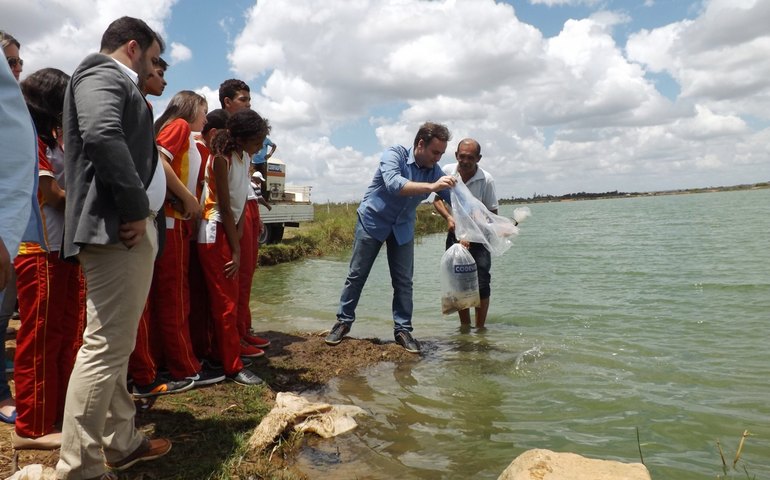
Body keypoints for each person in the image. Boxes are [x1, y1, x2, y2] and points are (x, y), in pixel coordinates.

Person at [57, 16, 171, 479]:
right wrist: (133, 208)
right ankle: (78, 467)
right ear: (132, 47)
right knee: (104, 347)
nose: (155, 66)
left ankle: (121, 441)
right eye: (153, 57)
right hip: (116, 230)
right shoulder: (101, 75)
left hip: (121, 229)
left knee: (115, 345)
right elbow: (102, 135)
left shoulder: (111, 81)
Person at [325, 122, 457, 353]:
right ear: (420, 144)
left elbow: (454, 197)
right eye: (435, 152)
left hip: (402, 228)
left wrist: (481, 216)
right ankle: (343, 323)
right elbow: (395, 184)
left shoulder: (434, 170)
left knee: (404, 281)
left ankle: (403, 330)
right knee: (357, 275)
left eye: (441, 154)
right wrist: (432, 186)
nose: (438, 158)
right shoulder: (394, 155)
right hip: (373, 221)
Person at [129, 91, 226, 399]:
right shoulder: (180, 126)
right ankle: (184, 366)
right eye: (204, 110)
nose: (206, 118)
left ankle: (168, 360)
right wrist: (186, 198)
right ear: (190, 108)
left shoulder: (176, 128)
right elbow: (160, 160)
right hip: (173, 220)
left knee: (166, 296)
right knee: (175, 297)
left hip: (172, 219)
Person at [12, 68, 86, 451]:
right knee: (39, 338)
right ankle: (31, 426)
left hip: (58, 248)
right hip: (39, 249)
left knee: (59, 335)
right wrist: (91, 207)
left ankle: (53, 413)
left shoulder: (47, 137)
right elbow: (48, 192)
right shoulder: (28, 136)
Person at [197, 109, 270, 385]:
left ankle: (222, 353)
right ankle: (232, 366)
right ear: (242, 137)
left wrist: (238, 237)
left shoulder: (244, 157)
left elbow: (238, 206)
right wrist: (236, 249)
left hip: (229, 230)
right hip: (215, 232)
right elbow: (225, 208)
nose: (261, 146)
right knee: (226, 302)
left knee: (230, 296)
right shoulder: (221, 160)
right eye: (258, 140)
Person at [0, 52, 38, 426]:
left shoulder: (17, 114)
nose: (16, 68)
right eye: (9, 60)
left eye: (17, 62)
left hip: (16, 231)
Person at [433, 138, 498, 329]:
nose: (465, 160)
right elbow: (437, 200)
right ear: (456, 155)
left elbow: (492, 213)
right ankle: (465, 327)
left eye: (470, 157)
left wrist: (475, 231)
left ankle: (480, 329)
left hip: (480, 239)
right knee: (459, 282)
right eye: (462, 156)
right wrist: (449, 218)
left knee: (482, 284)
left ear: (478, 158)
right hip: (455, 237)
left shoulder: (486, 179)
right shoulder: (447, 172)